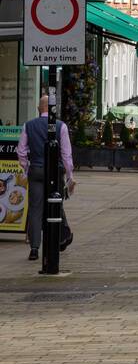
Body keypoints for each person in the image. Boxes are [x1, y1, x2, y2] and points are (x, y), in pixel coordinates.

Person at [16, 96, 74, 260]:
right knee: (56, 204)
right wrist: (70, 176)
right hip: (55, 172)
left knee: (35, 209)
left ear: (38, 108)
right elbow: (66, 154)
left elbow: (21, 151)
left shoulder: (29, 125)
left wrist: (28, 166)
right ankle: (61, 238)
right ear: (53, 109)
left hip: (36, 170)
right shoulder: (60, 126)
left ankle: (34, 248)